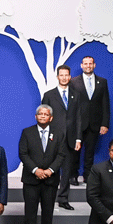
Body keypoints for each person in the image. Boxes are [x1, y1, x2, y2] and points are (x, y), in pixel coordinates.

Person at [18, 105, 65, 224]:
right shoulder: (27, 132)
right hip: (31, 179)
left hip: (50, 179)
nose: (43, 116)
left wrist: (50, 170)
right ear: (36, 116)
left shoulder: (59, 133)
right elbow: (23, 154)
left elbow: (61, 155)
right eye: (40, 114)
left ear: (51, 118)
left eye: (46, 114)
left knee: (48, 210)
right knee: (30, 210)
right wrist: (35, 170)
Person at [41, 65, 84, 210]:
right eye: (62, 75)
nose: (64, 78)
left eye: (67, 75)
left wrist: (78, 138)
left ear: (70, 76)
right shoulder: (49, 94)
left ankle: (63, 199)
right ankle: (47, 198)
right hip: (53, 138)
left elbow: (78, 118)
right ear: (58, 77)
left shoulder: (76, 94)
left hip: (70, 139)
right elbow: (43, 118)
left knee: (66, 171)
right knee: (50, 169)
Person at [73, 56, 110, 184]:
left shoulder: (102, 82)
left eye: (90, 63)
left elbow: (105, 104)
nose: (88, 65)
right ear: (81, 65)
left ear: (94, 65)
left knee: (90, 152)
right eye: (85, 63)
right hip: (77, 124)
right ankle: (73, 175)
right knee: (75, 151)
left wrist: (105, 124)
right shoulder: (73, 82)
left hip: (95, 123)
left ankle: (87, 175)